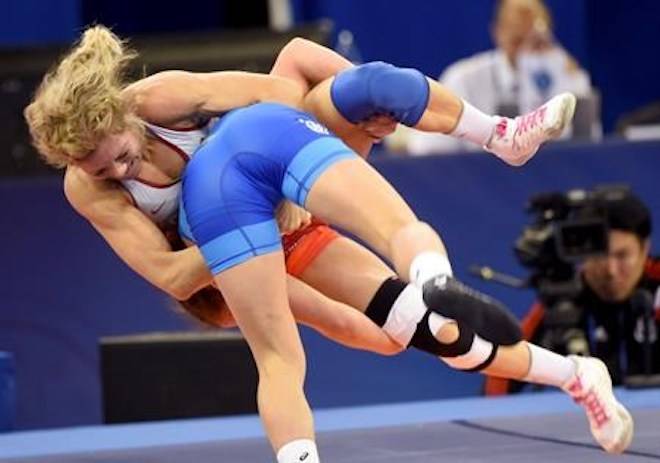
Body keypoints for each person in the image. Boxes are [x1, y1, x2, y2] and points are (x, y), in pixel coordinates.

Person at [24, 25, 626, 463]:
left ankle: (496, 136)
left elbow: (278, 101)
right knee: (390, 335)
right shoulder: (90, 186)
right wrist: (270, 220)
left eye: (122, 156)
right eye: (106, 171)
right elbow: (174, 276)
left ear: (117, 115)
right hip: (227, 256)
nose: (120, 172)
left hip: (277, 195)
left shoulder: (158, 98)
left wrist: (307, 174)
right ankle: (568, 370)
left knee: (343, 77)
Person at [486, 190, 660, 393]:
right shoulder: (564, 300)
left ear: (644, 249)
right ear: (581, 252)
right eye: (600, 256)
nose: (611, 271)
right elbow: (499, 381)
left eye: (622, 256)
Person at [399, 0, 595, 155]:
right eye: (518, 40)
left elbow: (590, 142)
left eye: (534, 40)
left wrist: (568, 79)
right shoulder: (463, 79)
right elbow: (428, 150)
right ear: (498, 32)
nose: (525, 50)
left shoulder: (570, 74)